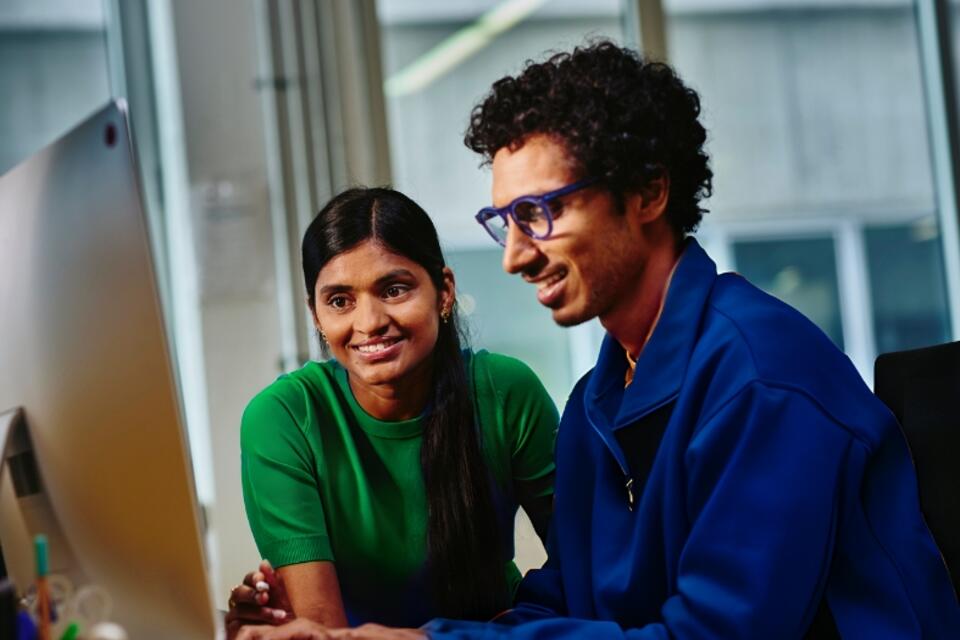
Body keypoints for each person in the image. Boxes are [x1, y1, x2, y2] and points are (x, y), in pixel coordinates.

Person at [236, 41, 960, 640]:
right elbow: (573, 595)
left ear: (647, 194)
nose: (517, 256)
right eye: (504, 223)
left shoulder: (763, 379)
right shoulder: (597, 403)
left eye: (540, 212)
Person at [225, 187, 558, 638]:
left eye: (394, 289)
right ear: (316, 315)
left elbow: (582, 572)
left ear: (444, 292)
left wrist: (527, 621)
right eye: (340, 300)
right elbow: (324, 633)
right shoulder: (284, 418)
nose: (369, 322)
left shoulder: (506, 391)